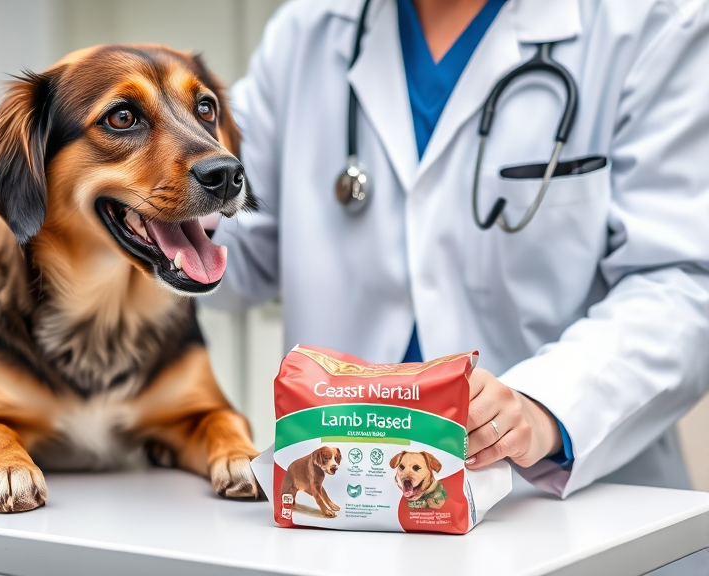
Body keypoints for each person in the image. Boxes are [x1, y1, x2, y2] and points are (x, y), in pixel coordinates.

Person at [206, 0, 709, 569]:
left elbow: (683, 283)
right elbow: (232, 255)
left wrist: (542, 407)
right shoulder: (308, 30)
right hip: (353, 517)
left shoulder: (651, 21)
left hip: (571, 523)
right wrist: (158, 213)